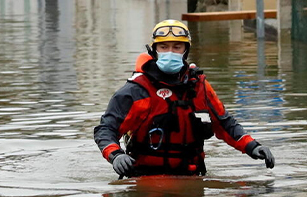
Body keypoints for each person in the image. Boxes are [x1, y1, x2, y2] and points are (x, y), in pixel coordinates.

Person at [94, 19, 275, 178]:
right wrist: (115, 154)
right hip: (145, 178)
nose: (170, 52)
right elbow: (106, 129)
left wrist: (251, 146)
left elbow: (224, 123)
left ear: (186, 50)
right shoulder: (136, 90)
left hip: (191, 176)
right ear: (154, 50)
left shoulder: (198, 86)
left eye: (177, 47)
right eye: (164, 47)